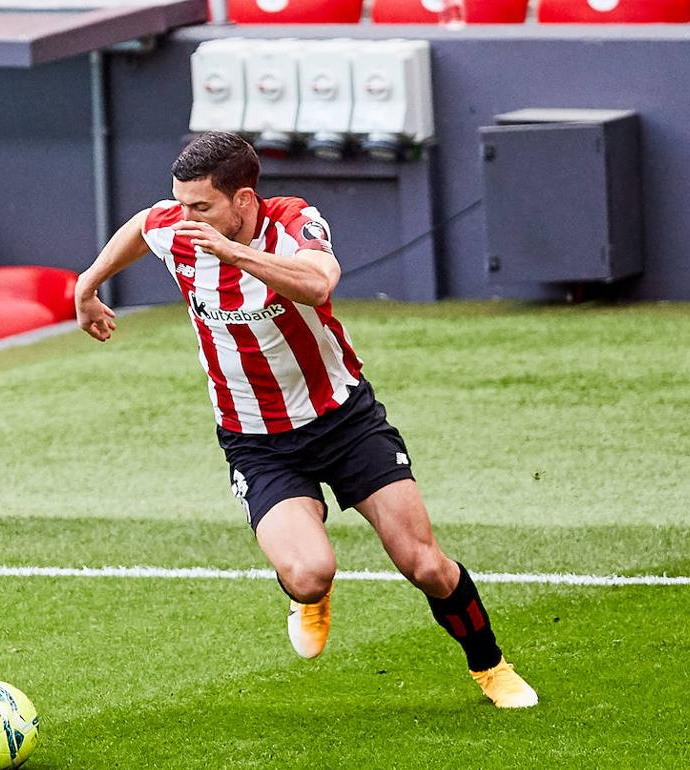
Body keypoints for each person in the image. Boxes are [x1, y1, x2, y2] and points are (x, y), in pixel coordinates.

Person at [73, 131, 537, 709]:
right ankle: (305, 595)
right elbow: (143, 226)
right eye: (181, 203)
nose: (184, 218)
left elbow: (319, 283)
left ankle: (491, 668)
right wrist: (87, 284)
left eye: (201, 207)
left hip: (344, 421)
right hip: (256, 441)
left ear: (243, 200)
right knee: (311, 571)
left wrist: (234, 254)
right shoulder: (175, 225)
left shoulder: (294, 222)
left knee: (425, 565)